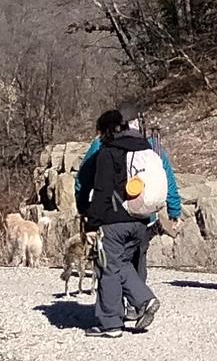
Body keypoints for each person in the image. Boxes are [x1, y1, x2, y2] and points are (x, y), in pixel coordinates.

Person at [75, 107, 183, 339]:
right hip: (141, 219)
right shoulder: (146, 148)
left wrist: (92, 224)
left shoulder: (107, 153)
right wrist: (174, 209)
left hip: (114, 220)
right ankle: (144, 300)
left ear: (108, 130)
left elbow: (102, 191)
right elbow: (169, 180)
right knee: (122, 263)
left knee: (108, 267)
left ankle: (111, 323)